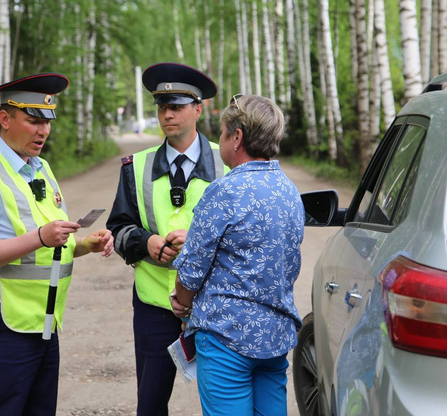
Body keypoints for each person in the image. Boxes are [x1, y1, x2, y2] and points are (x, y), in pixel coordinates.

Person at [0, 73, 114, 416]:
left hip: (44, 321)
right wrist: (40, 236)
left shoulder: (40, 169)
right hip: (3, 321)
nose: (43, 131)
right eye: (33, 121)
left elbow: (49, 245)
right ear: (5, 118)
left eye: (48, 122)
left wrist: (86, 243)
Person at [170, 94, 305, 416]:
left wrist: (183, 300)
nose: (219, 139)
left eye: (222, 132)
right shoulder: (289, 189)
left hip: (226, 336)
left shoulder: (224, 191)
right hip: (274, 336)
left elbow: (191, 269)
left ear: (237, 137)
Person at [106, 62, 227, 416]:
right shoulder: (136, 166)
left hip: (215, 304)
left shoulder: (229, 163)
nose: (167, 115)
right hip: (154, 306)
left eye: (176, 106)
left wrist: (200, 243)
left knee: (222, 401)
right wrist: (146, 243)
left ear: (198, 109)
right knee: (151, 402)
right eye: (162, 107)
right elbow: (119, 227)